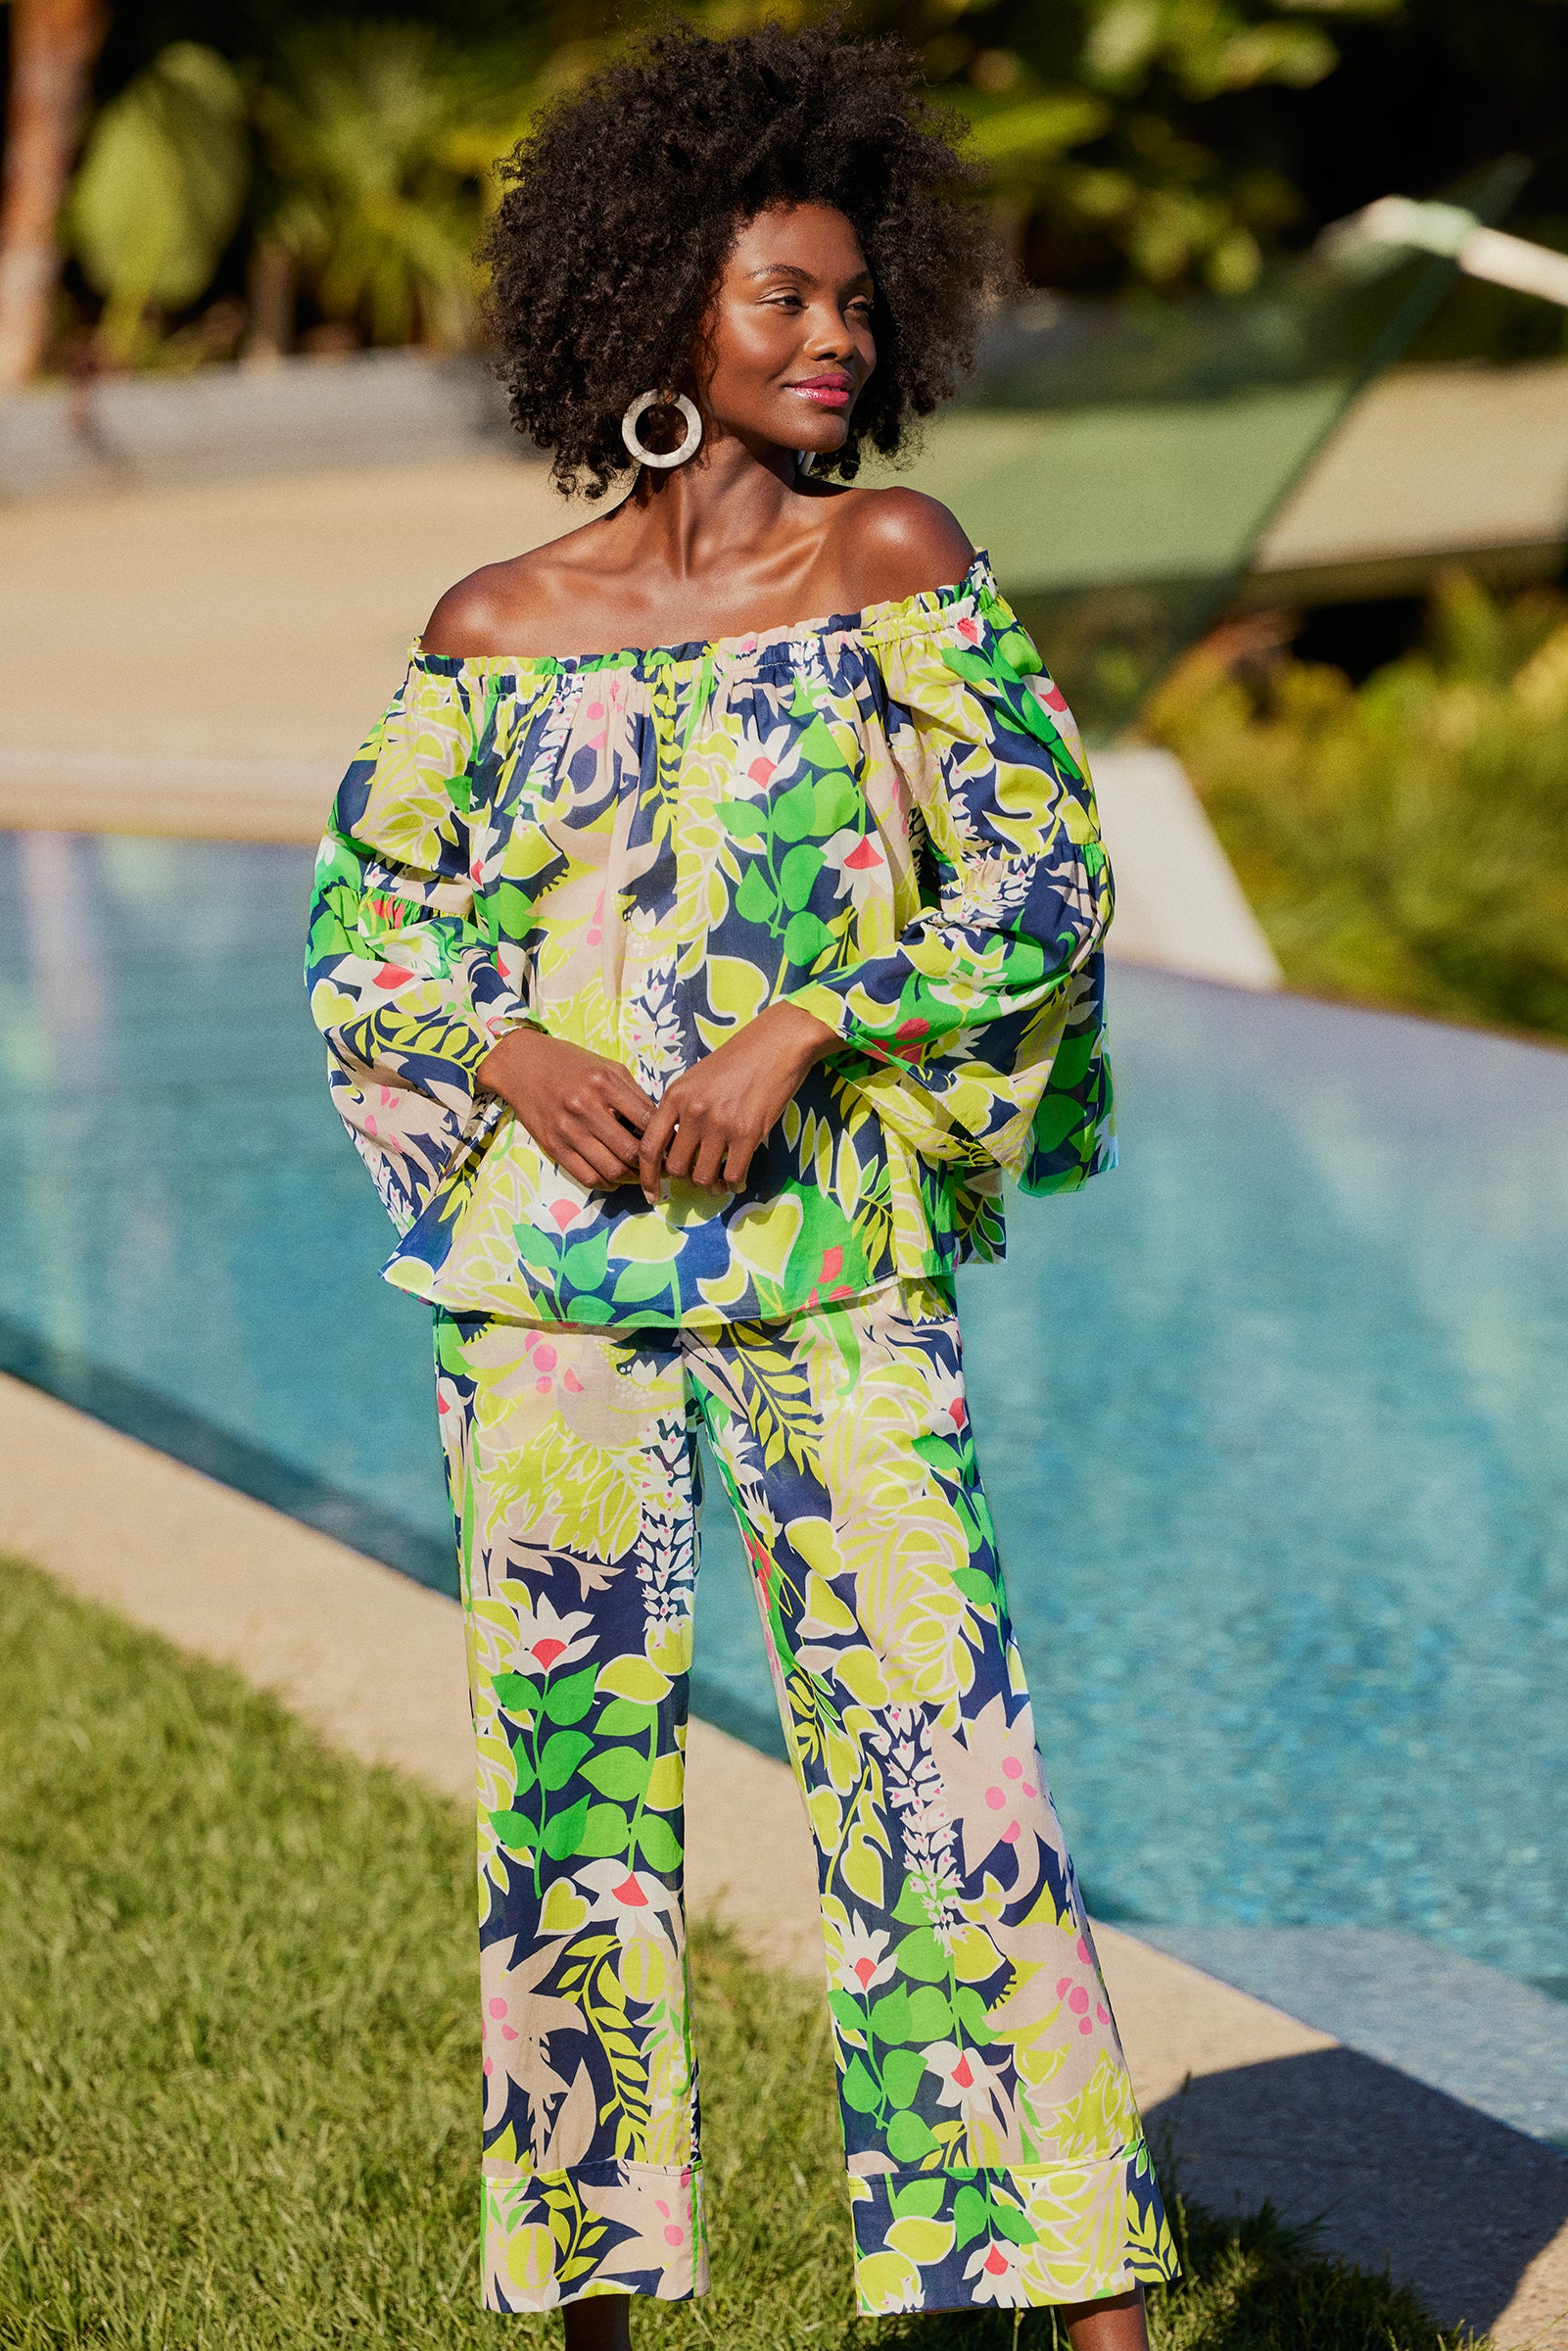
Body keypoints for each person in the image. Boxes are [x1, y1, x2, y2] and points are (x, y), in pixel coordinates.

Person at [305, 21, 1176, 2346]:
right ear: (654, 311)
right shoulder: (495, 625)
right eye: (781, 298)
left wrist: (811, 1022)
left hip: (828, 1261)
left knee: (941, 1759)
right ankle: (593, 2315)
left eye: (852, 300)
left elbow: (1042, 876)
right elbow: (366, 931)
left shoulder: (892, 563)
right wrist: (507, 1042)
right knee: (570, 1806)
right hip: (547, 1292)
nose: (835, 337)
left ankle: (1073, 2298)